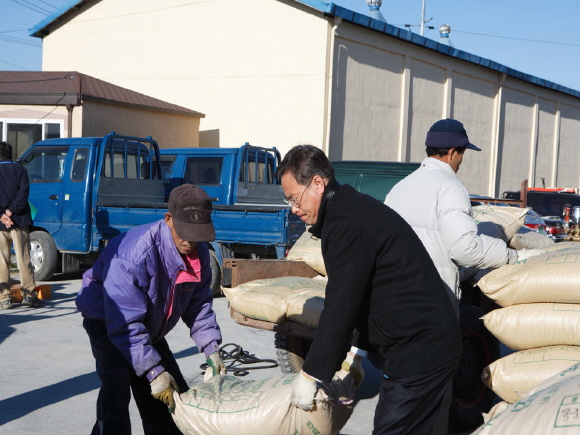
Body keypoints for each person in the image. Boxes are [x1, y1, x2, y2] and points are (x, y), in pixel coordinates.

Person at [277, 145, 462, 435]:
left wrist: (311, 374)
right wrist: (356, 355)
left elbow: (341, 304)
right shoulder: (347, 210)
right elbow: (366, 292)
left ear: (317, 183)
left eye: (295, 199)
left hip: (421, 351)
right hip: (420, 346)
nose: (294, 209)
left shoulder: (345, 221)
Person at [76, 184, 225, 435]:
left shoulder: (198, 252)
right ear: (169, 220)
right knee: (117, 387)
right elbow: (125, 323)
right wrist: (153, 371)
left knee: (172, 395)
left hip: (148, 325)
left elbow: (199, 306)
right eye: (186, 232)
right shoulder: (134, 254)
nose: (191, 240)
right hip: (109, 318)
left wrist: (212, 350)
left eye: (198, 233)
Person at [385, 118, 542, 313]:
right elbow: (465, 249)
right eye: (462, 153)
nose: (461, 161)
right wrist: (515, 256)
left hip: (392, 293)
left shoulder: (399, 188)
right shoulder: (450, 187)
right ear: (452, 152)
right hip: (430, 298)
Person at [0, 141, 44, 310]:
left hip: (1, 224)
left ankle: (4, 299)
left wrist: (2, 216)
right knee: (23, 259)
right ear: (11, 154)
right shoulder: (21, 170)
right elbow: (23, 194)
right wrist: (10, 213)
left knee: (2, 261)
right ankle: (29, 296)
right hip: (20, 222)